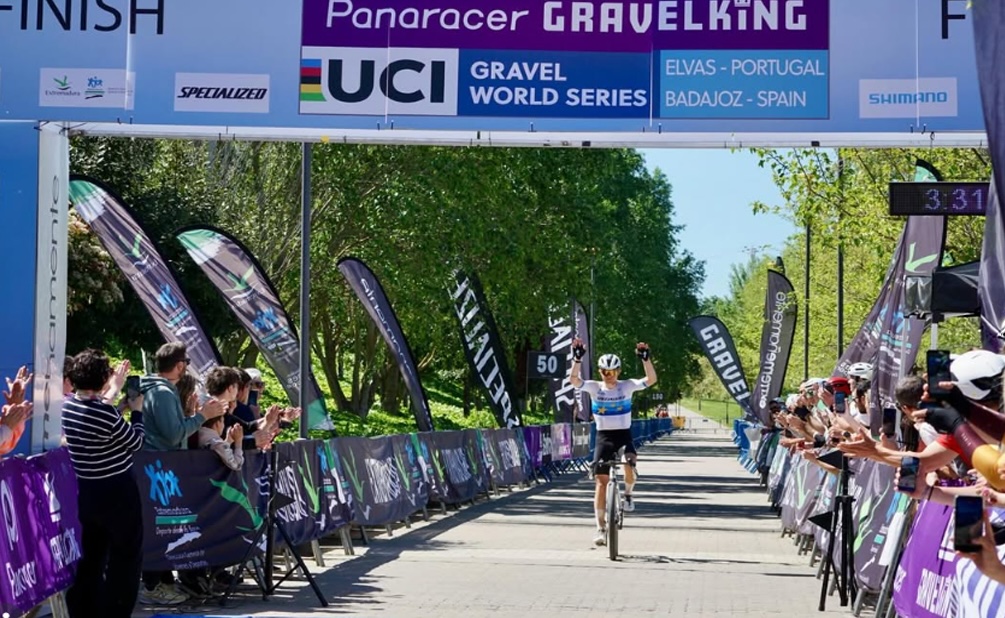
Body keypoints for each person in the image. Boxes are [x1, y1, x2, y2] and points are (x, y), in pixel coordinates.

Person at [61, 350, 146, 618]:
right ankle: (116, 612)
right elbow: (136, 442)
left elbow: (100, 416)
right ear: (101, 380)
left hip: (87, 490)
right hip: (117, 491)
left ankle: (83, 610)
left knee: (92, 555)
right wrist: (138, 414)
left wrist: (116, 401)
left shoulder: (67, 407)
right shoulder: (105, 413)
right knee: (126, 557)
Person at [139, 342, 225, 605]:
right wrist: (202, 415)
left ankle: (163, 582)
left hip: (160, 471)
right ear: (179, 365)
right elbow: (174, 434)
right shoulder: (163, 392)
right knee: (159, 529)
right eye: (186, 363)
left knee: (165, 530)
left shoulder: (155, 388)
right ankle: (153, 586)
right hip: (160, 472)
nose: (187, 367)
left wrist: (190, 414)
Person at [570, 337, 657, 546]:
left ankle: (627, 495)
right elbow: (574, 380)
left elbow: (651, 379)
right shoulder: (594, 387)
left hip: (623, 434)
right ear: (600, 372)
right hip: (603, 437)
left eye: (612, 372)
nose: (608, 376)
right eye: (604, 372)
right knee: (600, 483)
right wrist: (577, 359)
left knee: (629, 463)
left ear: (618, 371)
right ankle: (600, 528)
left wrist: (646, 359)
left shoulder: (626, 386)